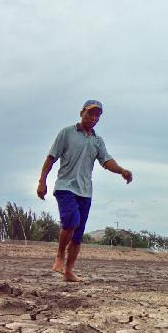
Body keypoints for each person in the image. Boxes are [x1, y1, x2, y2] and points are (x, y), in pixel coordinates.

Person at [37, 99, 133, 282]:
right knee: (71, 221)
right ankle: (59, 256)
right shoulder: (66, 133)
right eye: (91, 113)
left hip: (85, 192)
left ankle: (69, 271)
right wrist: (42, 181)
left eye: (98, 115)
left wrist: (121, 170)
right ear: (82, 112)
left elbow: (106, 161)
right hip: (65, 186)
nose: (94, 118)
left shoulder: (97, 141)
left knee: (78, 235)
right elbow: (51, 158)